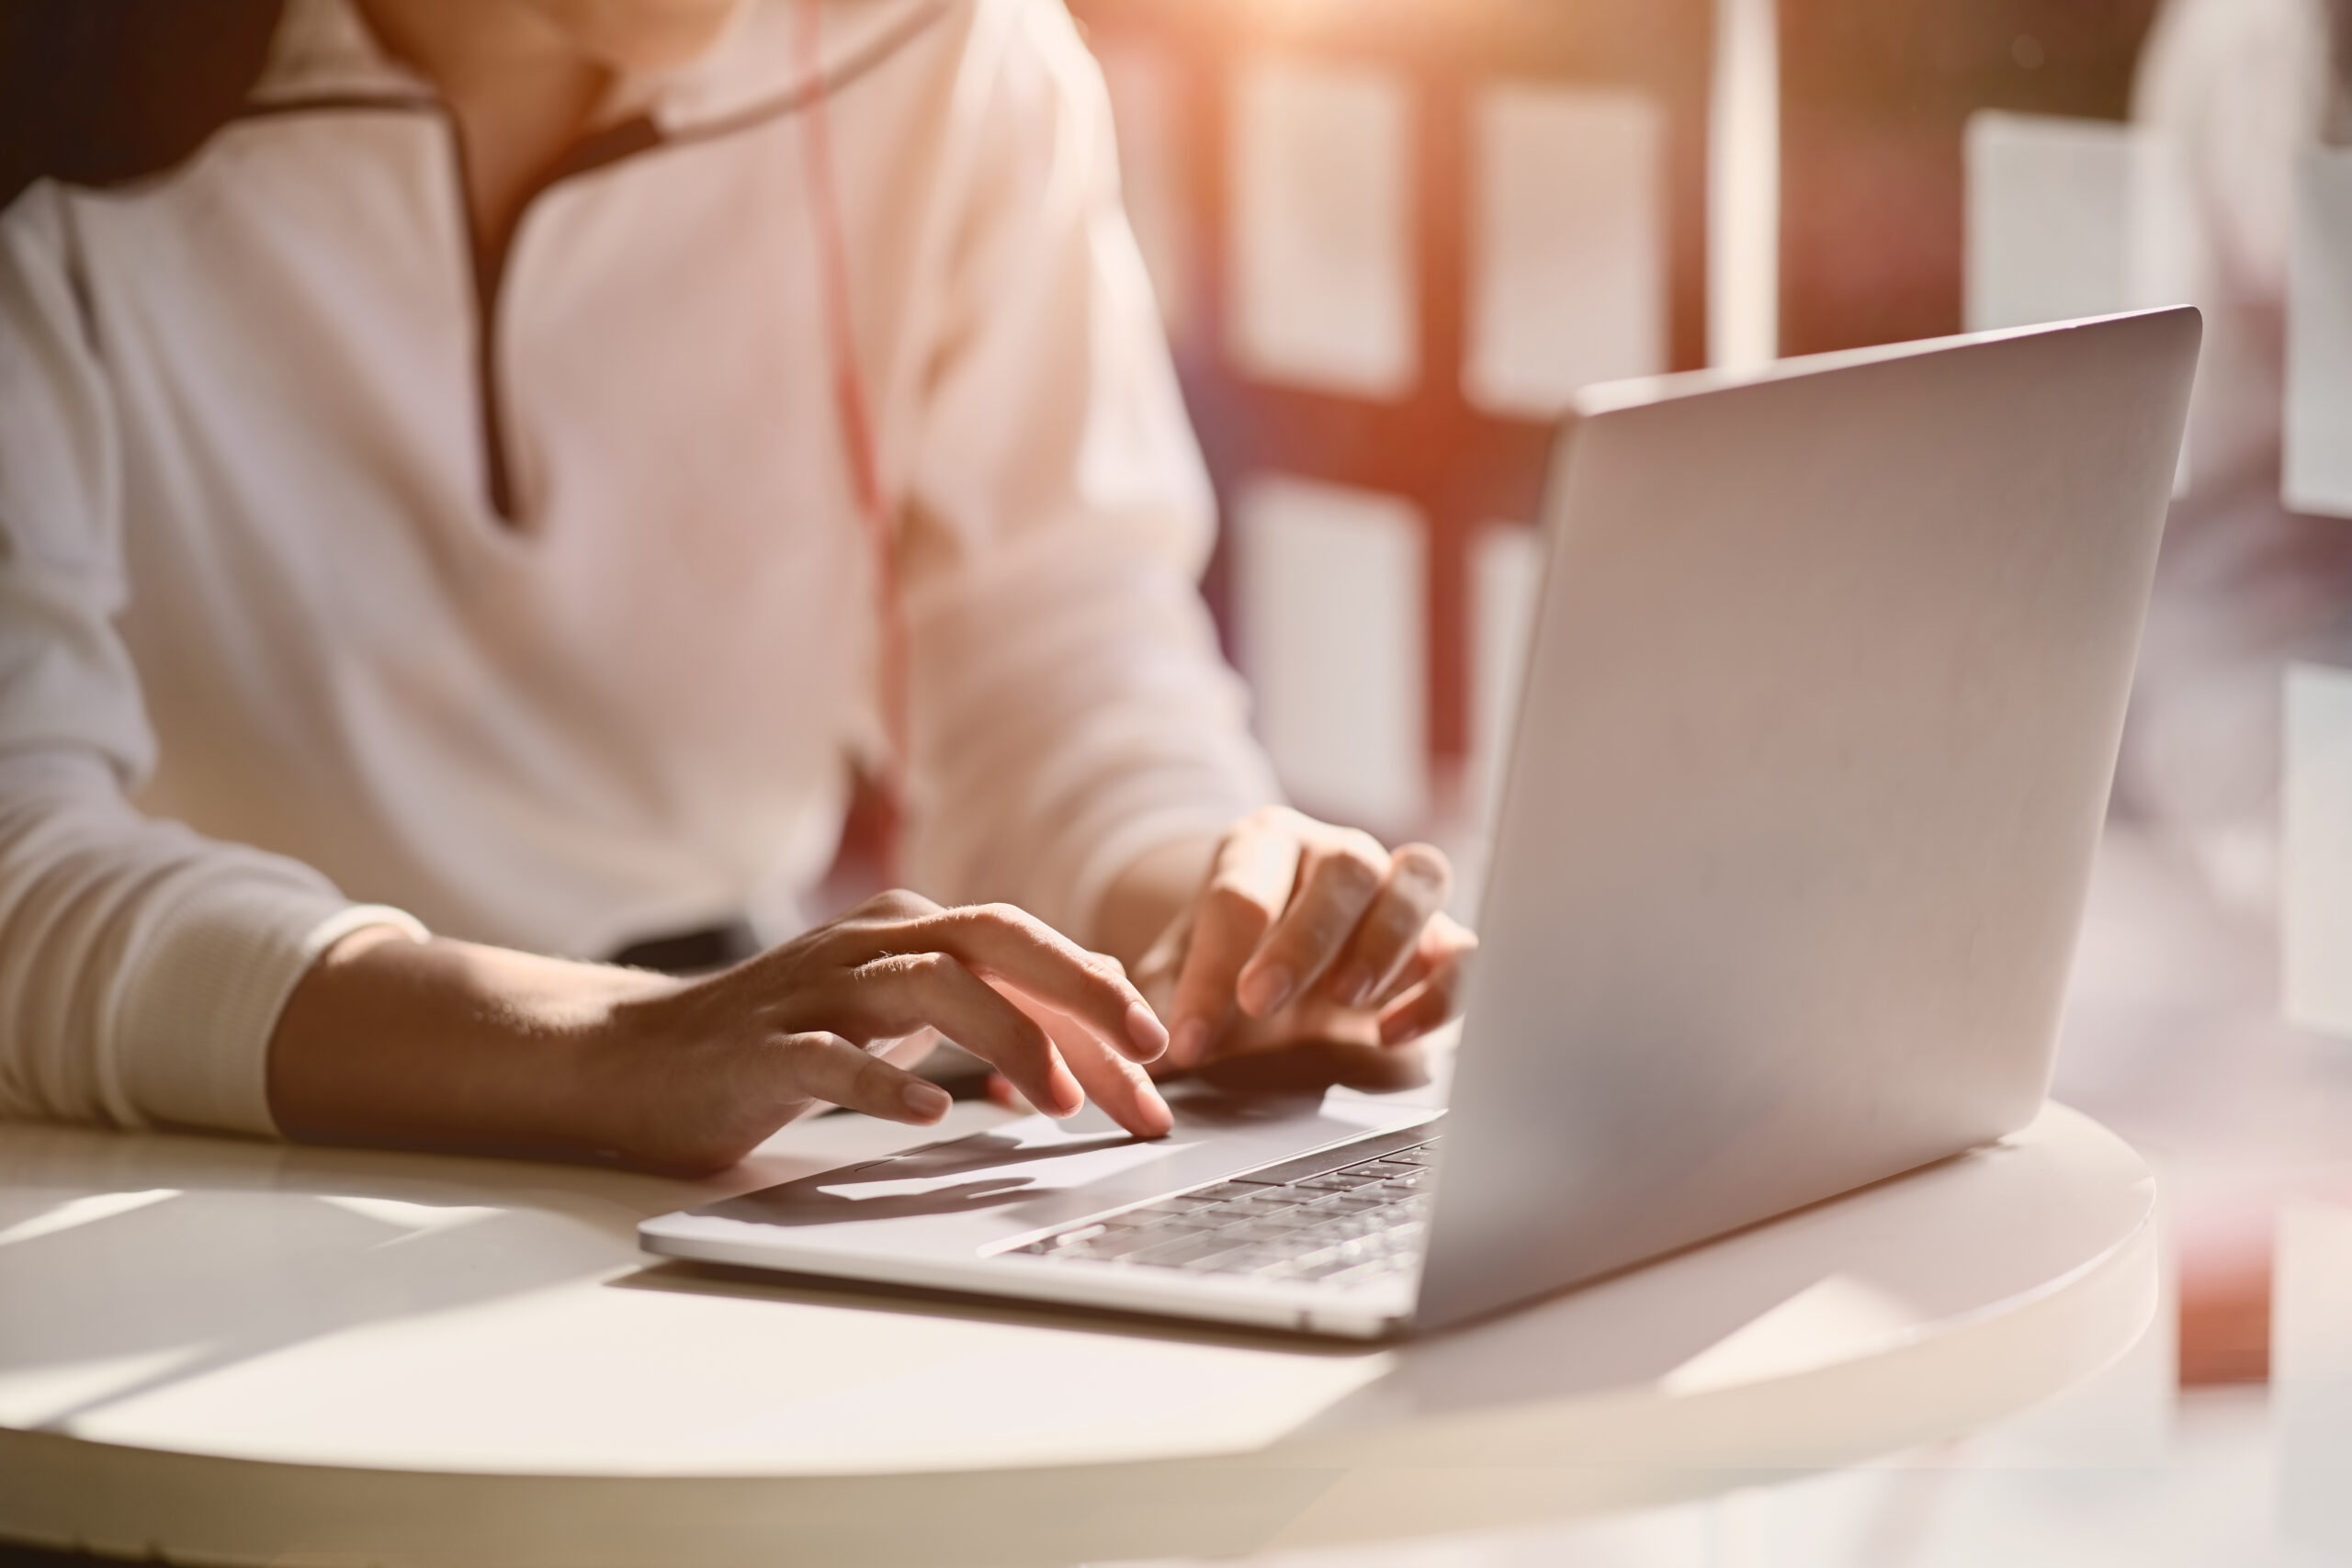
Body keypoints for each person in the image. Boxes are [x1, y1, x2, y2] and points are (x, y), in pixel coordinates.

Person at [0, 0, 1473, 1174]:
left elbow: (1055, 655)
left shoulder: (943, 48)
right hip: (174, 1162)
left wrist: (1226, 941)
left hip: (709, 1117)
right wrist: (594, 1051)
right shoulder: (52, 107)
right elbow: (21, 854)